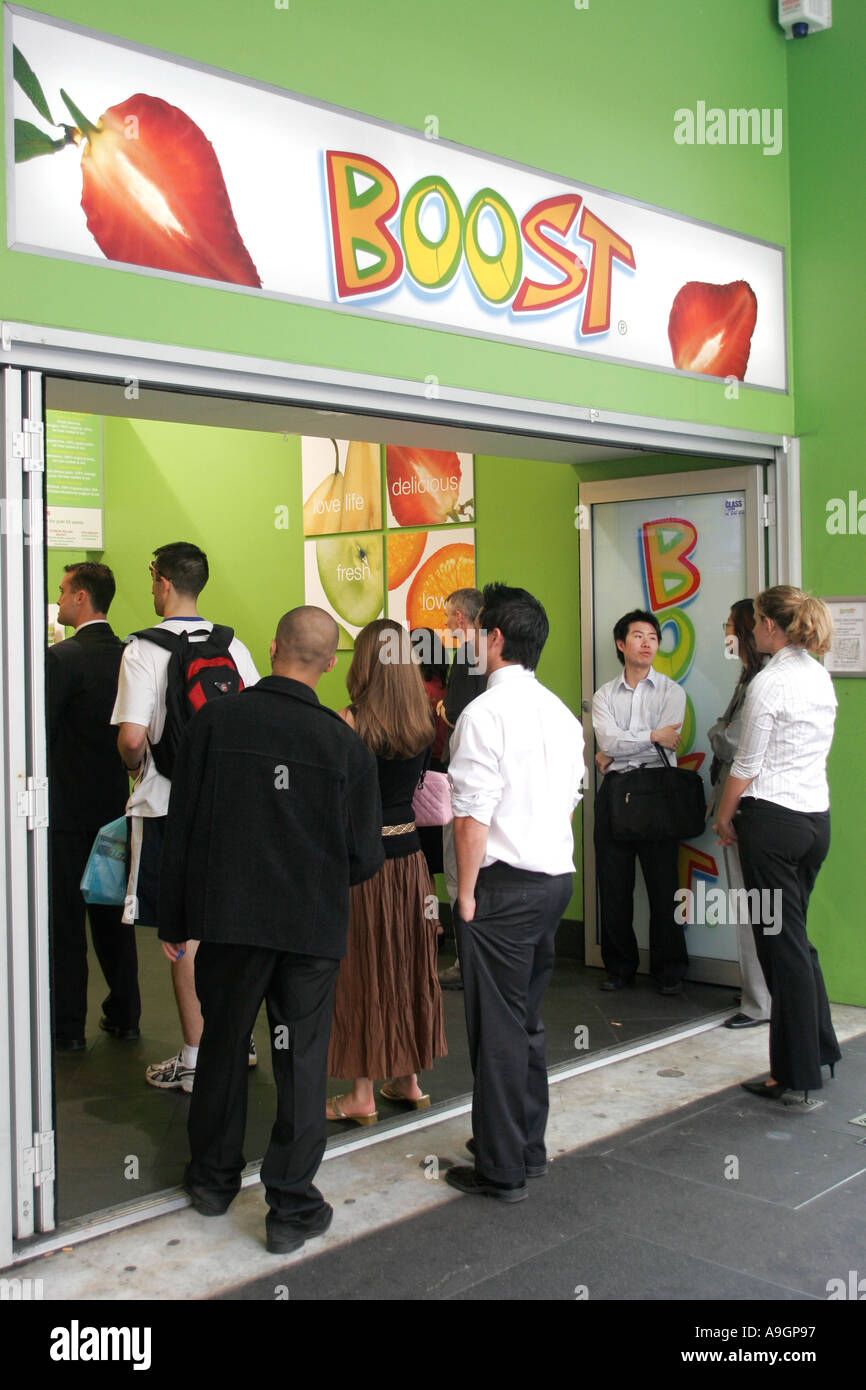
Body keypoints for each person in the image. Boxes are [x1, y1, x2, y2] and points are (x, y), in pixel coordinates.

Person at [156, 607, 384, 1252]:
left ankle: (211, 1181)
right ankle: (289, 1207)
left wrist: (175, 919)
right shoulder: (344, 745)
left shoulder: (214, 722)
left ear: (275, 645)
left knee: (224, 1046)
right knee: (301, 1060)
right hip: (309, 930)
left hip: (229, 923)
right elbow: (365, 856)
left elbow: (185, 828)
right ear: (330, 663)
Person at [444, 583, 584, 1201]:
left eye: (477, 632)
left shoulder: (483, 713)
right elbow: (571, 797)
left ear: (496, 639)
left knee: (496, 1030)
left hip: (501, 886)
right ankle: (527, 1144)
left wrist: (466, 895)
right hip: (554, 878)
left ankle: (501, 1167)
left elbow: (472, 815)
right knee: (524, 1020)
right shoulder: (559, 711)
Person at [112, 541, 260, 1092]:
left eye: (152, 579)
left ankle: (198, 1058)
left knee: (181, 935)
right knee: (225, 924)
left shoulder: (142, 650)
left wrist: (134, 766)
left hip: (167, 806)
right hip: (229, 807)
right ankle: (236, 1042)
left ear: (163, 580)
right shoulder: (233, 645)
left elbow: (130, 737)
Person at [714, 586, 841, 1102]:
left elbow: (746, 765)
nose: (753, 630)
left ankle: (792, 1074)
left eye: (759, 621)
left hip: (771, 823)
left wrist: (725, 815)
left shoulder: (770, 681)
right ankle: (819, 1050)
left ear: (770, 626)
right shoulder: (819, 675)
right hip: (815, 822)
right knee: (796, 942)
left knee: (779, 948)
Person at [326, 619, 446, 1124]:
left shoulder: (348, 722)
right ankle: (409, 1079)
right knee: (409, 965)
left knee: (363, 969)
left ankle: (361, 1094)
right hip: (413, 863)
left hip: (363, 864)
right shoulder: (424, 723)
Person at [47, 563, 140, 1050]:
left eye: (63, 592)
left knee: (66, 923)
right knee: (113, 918)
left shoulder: (61, 659)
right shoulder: (130, 655)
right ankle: (125, 1013)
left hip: (65, 813)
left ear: (82, 598)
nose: (57, 599)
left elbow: (41, 735)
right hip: (116, 808)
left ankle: (67, 1028)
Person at [592, 609, 689, 994]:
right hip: (615, 794)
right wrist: (650, 736)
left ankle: (670, 972)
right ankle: (619, 969)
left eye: (653, 636)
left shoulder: (672, 692)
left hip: (657, 792)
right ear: (621, 644)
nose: (648, 642)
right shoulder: (603, 694)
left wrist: (621, 746)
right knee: (613, 887)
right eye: (638, 635)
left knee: (664, 887)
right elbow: (609, 743)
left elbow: (650, 743)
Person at [707, 600, 771, 1029]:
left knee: (751, 905)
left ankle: (758, 1002)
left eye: (730, 625)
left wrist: (716, 731)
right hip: (759, 805)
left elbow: (733, 742)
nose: (725, 632)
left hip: (747, 804)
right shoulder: (752, 676)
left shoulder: (761, 681)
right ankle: (758, 990)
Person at [437, 587, 488, 989]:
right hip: (493, 781)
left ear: (459, 618)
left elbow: (455, 714)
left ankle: (466, 961)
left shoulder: (465, 654)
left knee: (458, 872)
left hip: (462, 778)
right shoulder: (493, 654)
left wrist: (441, 710)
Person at [411, 625, 450, 879]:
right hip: (446, 775)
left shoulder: (415, 690)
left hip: (421, 775)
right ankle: (432, 917)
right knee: (438, 860)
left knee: (418, 862)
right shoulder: (447, 688)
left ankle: (422, 917)